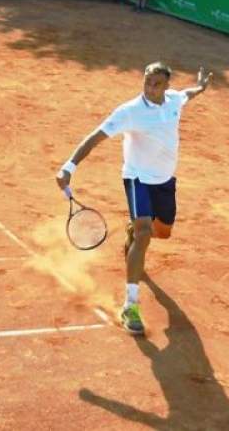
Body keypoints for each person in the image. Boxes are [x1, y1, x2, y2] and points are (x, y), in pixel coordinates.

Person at [56, 61, 212, 335]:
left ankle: (133, 231)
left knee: (162, 233)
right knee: (144, 234)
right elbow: (95, 137)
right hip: (137, 177)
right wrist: (69, 166)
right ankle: (131, 305)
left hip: (164, 180)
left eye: (157, 84)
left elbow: (187, 95)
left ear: (166, 85)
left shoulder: (174, 99)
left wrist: (200, 86)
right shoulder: (130, 111)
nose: (150, 88)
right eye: (147, 82)